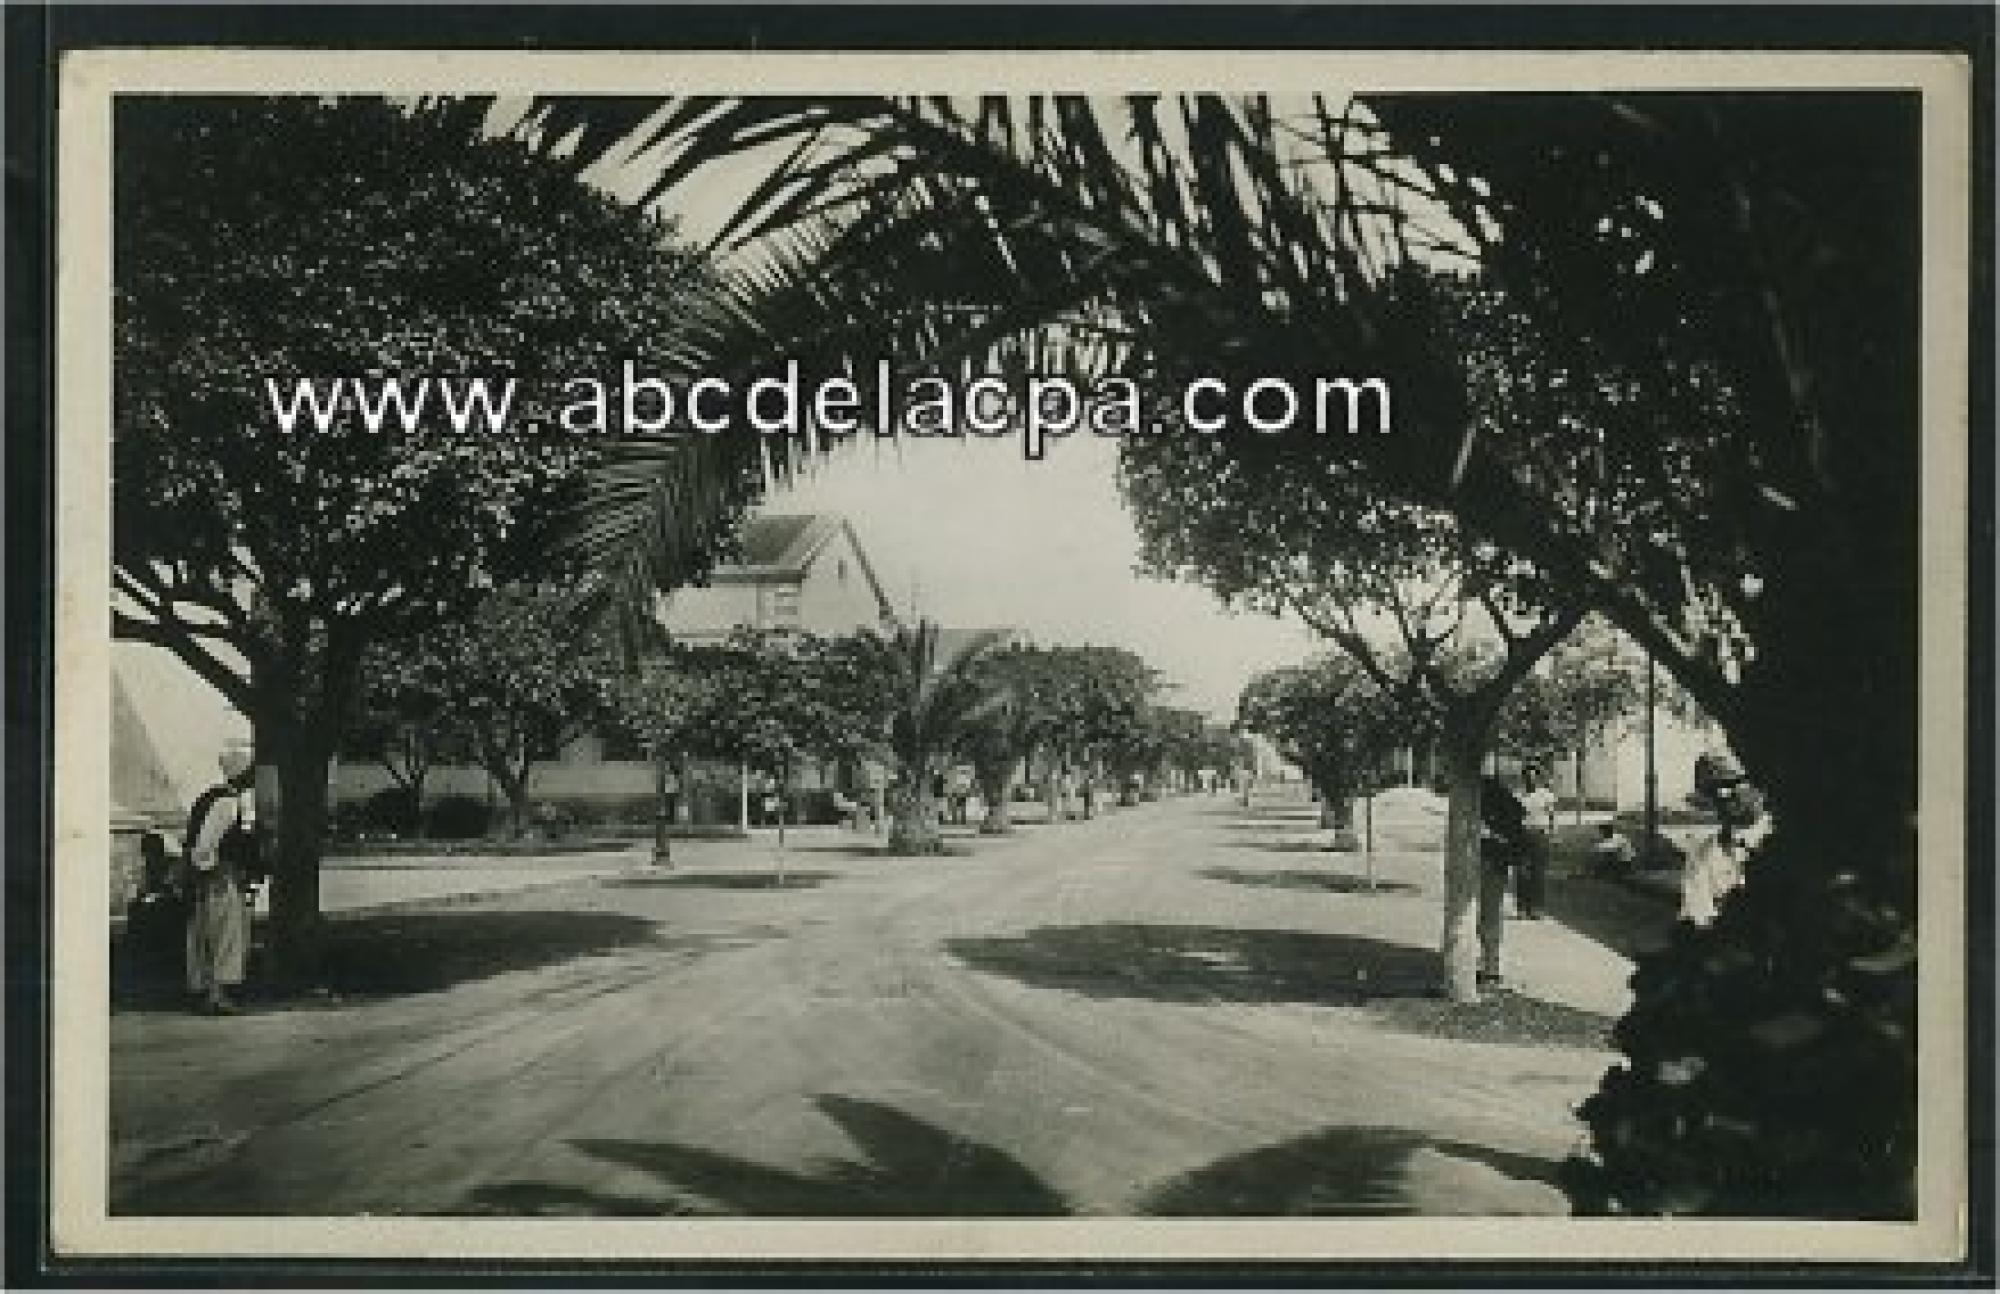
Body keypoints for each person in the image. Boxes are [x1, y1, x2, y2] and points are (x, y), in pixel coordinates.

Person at [183, 748, 256, 1014]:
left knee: (207, 933)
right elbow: (206, 843)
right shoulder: (226, 803)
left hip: (207, 876)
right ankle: (217, 994)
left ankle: (206, 991)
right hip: (219, 877)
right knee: (225, 934)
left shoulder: (210, 798)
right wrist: (211, 870)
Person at [1680, 751, 1769, 926]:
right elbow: (1697, 919)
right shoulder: (1701, 854)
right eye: (1712, 789)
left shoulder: (1786, 842)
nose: (1721, 793)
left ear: (1760, 786)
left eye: (1732, 783)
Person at [1476, 774, 1530, 990]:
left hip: (1490, 866)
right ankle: (1489, 965)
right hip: (1495, 867)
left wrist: (1488, 835)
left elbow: (1509, 842)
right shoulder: (1509, 813)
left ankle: (1491, 969)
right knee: (1488, 917)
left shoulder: (1497, 819)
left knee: (1487, 918)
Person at [1516, 765, 1558, 919]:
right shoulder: (1518, 796)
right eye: (1527, 777)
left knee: (1538, 872)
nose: (1530, 780)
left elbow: (1552, 816)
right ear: (1523, 779)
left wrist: (1552, 833)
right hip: (1522, 834)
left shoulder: (1546, 795)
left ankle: (1537, 908)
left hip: (1540, 834)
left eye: (1533, 777)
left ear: (1538, 779)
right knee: (1522, 871)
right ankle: (1521, 908)